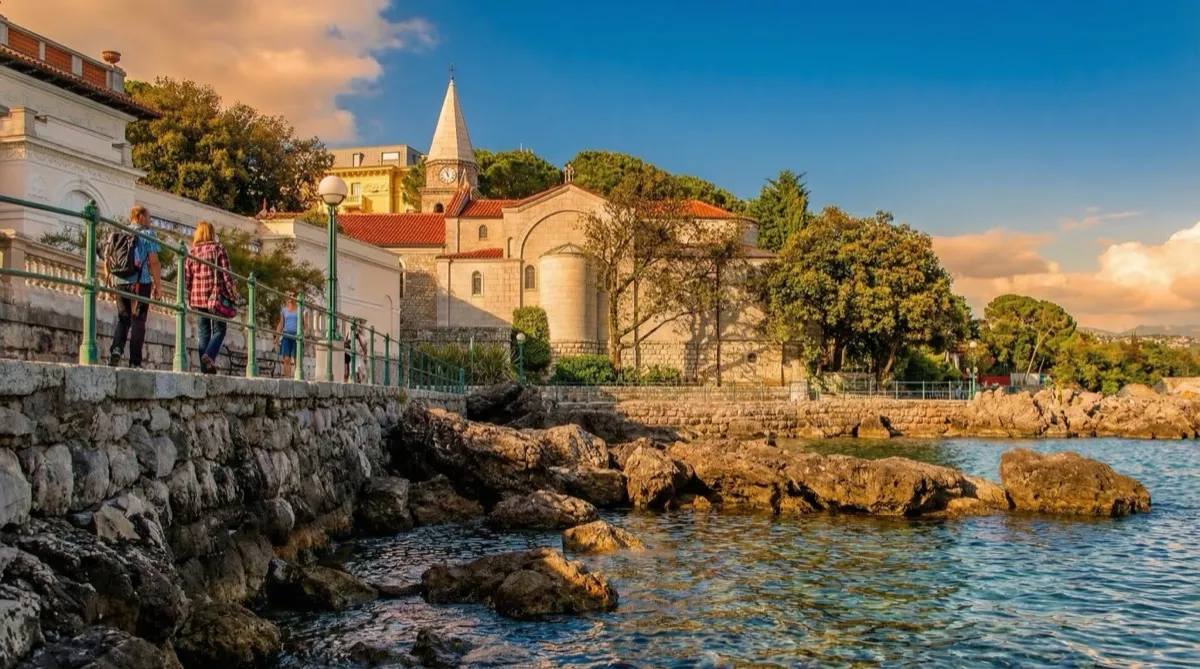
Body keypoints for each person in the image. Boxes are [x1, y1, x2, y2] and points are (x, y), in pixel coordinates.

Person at [107, 205, 161, 368]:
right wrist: (158, 286)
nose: (150, 221)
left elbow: (108, 260)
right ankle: (135, 361)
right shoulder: (148, 234)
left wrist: (110, 281)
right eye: (149, 218)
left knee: (123, 317)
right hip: (140, 281)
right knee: (139, 319)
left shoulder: (117, 233)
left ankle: (116, 349)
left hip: (120, 281)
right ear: (141, 217)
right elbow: (154, 262)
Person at [184, 221, 239, 374]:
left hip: (197, 298)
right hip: (215, 298)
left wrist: (190, 293)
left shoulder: (192, 251)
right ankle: (209, 356)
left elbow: (187, 278)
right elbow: (226, 274)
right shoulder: (218, 249)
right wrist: (233, 293)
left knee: (203, 332)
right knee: (220, 330)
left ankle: (205, 370)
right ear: (211, 233)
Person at [275, 296, 299, 377]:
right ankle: (287, 378)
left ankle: (297, 378)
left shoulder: (299, 309)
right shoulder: (284, 310)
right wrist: (277, 337)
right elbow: (281, 323)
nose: (291, 298)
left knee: (296, 359)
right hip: (286, 334)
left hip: (296, 335)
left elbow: (303, 324)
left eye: (292, 296)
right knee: (286, 358)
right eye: (289, 296)